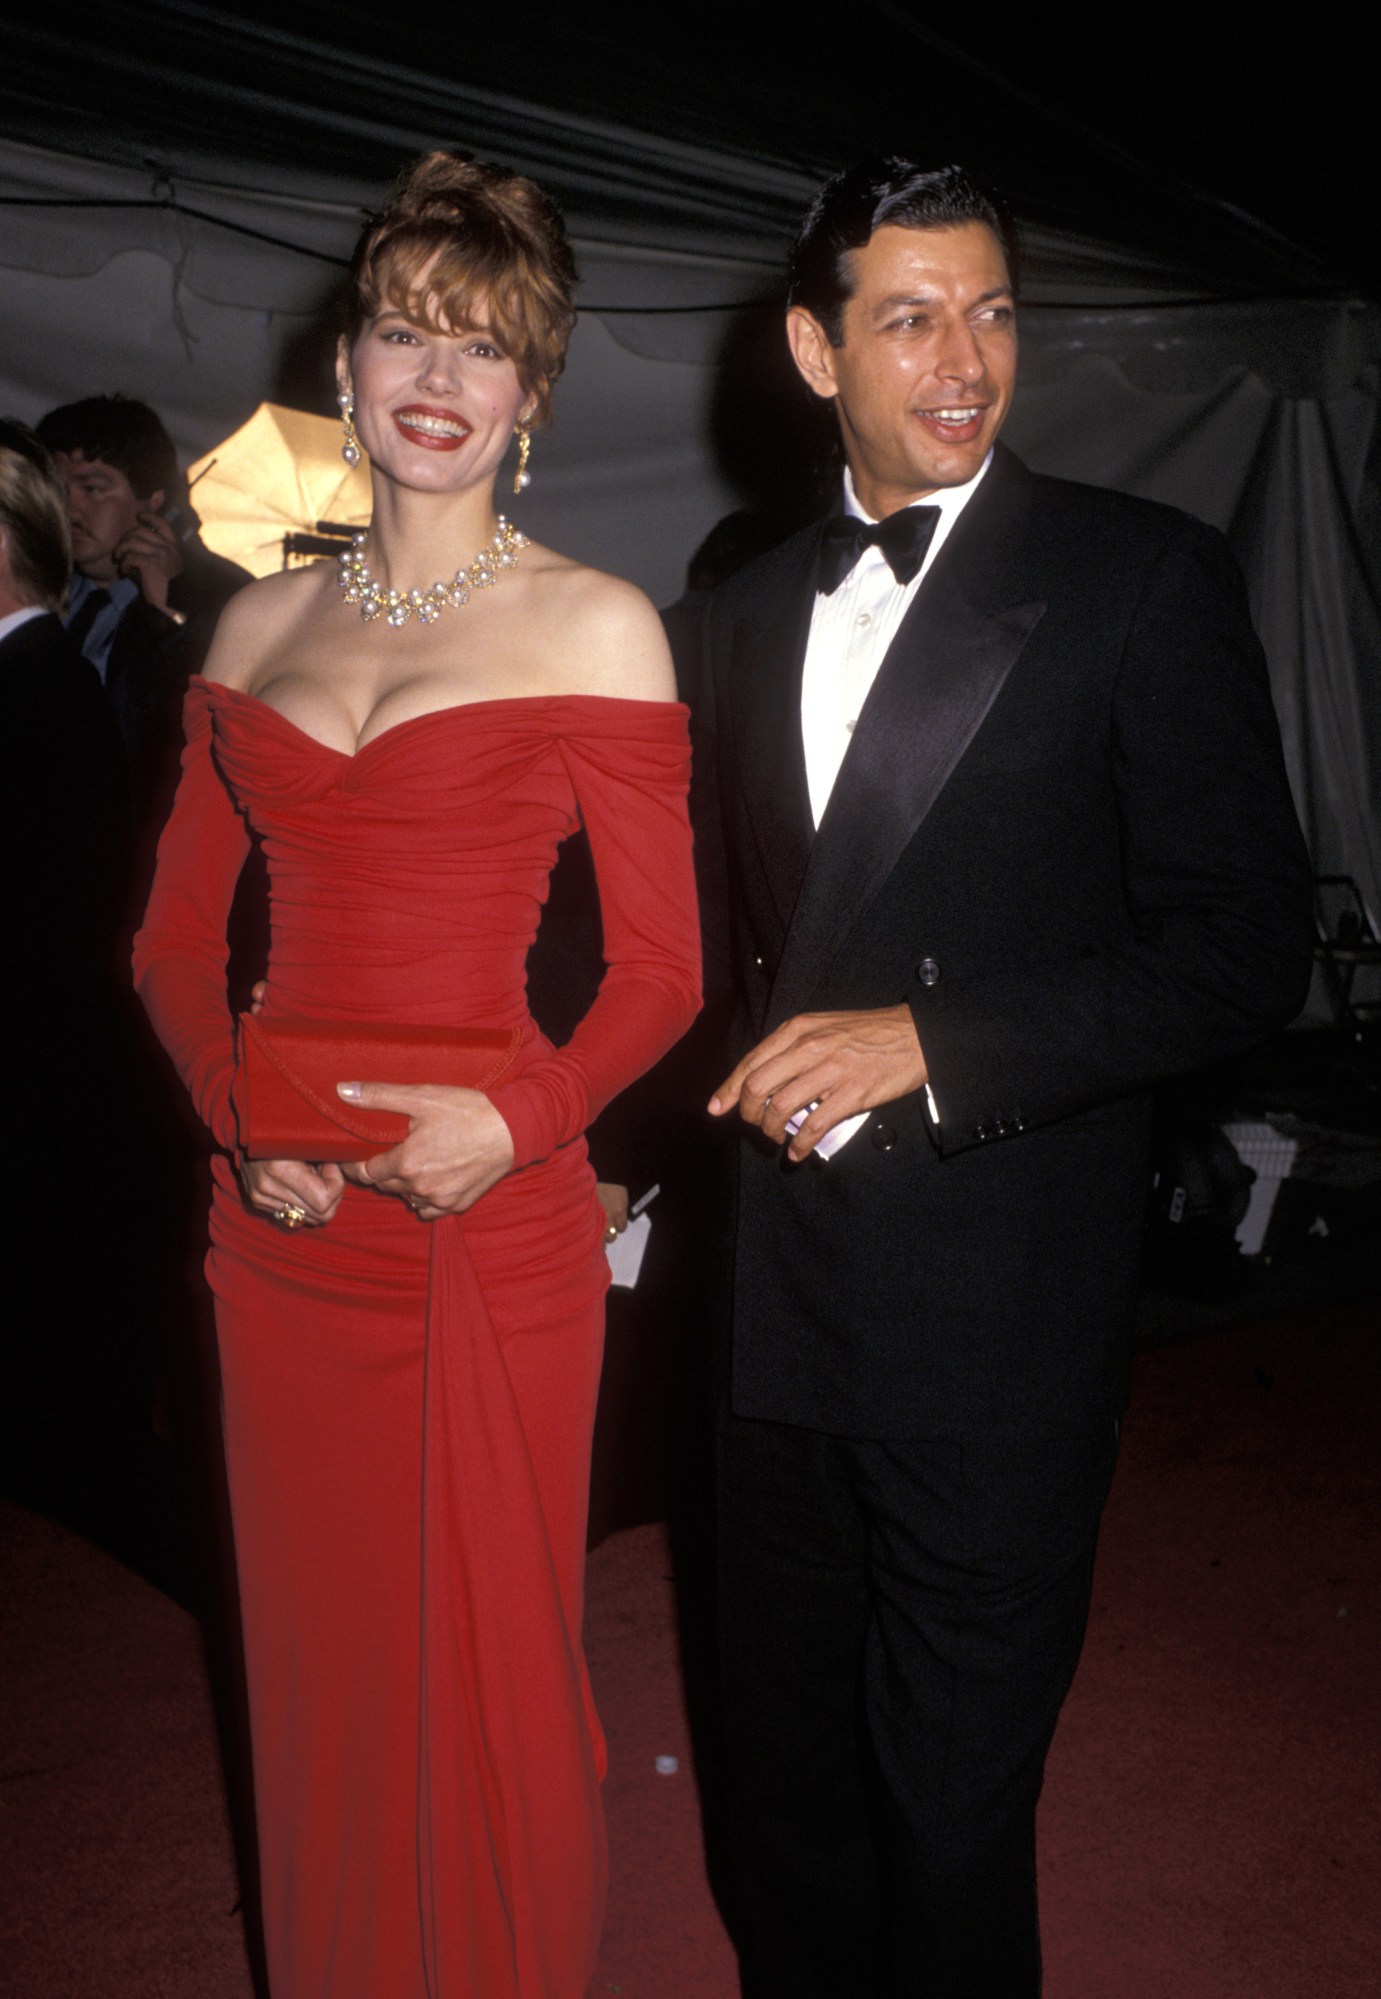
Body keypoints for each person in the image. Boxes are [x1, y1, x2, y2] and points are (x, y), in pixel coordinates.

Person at [678, 158, 1313, 1997]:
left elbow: (1236, 945)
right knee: (777, 1789)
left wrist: (935, 1043)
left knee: (950, 1807)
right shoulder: (732, 604)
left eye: (994, 311)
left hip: (991, 1311)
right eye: (907, 317)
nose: (965, 361)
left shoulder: (1138, 576)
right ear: (811, 350)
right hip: (764, 1312)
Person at [133, 151, 701, 1999]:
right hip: (277, 1233)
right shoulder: (250, 629)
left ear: (530, 399)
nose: (436, 376)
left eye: (484, 347)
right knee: (321, 1665)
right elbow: (164, 947)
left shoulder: (600, 623)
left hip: (494, 1223)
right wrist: (239, 1116)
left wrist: (520, 1125)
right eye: (403, 333)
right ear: (348, 367)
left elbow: (661, 972)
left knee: (489, 1666)